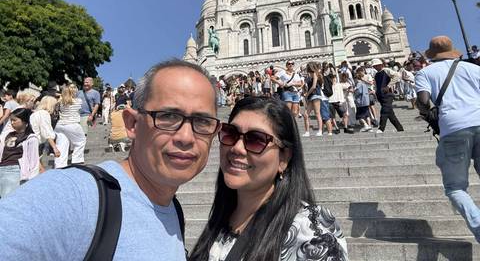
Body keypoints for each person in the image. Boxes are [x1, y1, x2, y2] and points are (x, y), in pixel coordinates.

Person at [0, 60, 220, 259]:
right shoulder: (74, 195)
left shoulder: (173, 210)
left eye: (202, 121)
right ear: (132, 124)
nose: (186, 137)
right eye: (168, 116)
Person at [188, 97, 348, 260]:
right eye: (231, 133)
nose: (237, 148)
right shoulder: (223, 216)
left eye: (256, 140)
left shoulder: (309, 231)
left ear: (284, 158)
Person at [416, 36, 480, 242]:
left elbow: (423, 102)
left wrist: (429, 113)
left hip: (453, 128)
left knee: (455, 187)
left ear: (432, 55)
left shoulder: (425, 72)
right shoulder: (474, 68)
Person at [0, 108, 39, 198]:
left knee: (9, 200)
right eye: (11, 120)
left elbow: (34, 161)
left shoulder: (31, 138)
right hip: (2, 168)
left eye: (15, 120)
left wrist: (33, 181)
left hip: (15, 170)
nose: (12, 123)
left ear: (25, 121)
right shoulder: (7, 134)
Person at [30, 96, 69, 169]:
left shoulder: (35, 113)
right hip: (36, 143)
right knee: (38, 169)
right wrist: (55, 148)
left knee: (37, 167)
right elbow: (47, 132)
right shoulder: (44, 114)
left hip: (32, 142)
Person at [55, 84, 87, 167]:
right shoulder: (78, 101)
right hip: (72, 124)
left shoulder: (60, 102)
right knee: (80, 141)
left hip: (60, 125)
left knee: (62, 145)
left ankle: (59, 165)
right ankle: (77, 160)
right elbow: (81, 110)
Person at [372, 58, 404, 133]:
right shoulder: (376, 74)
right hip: (380, 96)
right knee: (390, 114)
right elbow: (376, 86)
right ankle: (400, 128)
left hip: (388, 95)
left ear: (381, 65)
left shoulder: (386, 70)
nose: (375, 67)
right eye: (374, 66)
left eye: (377, 65)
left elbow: (397, 76)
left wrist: (389, 86)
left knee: (384, 111)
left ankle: (381, 128)